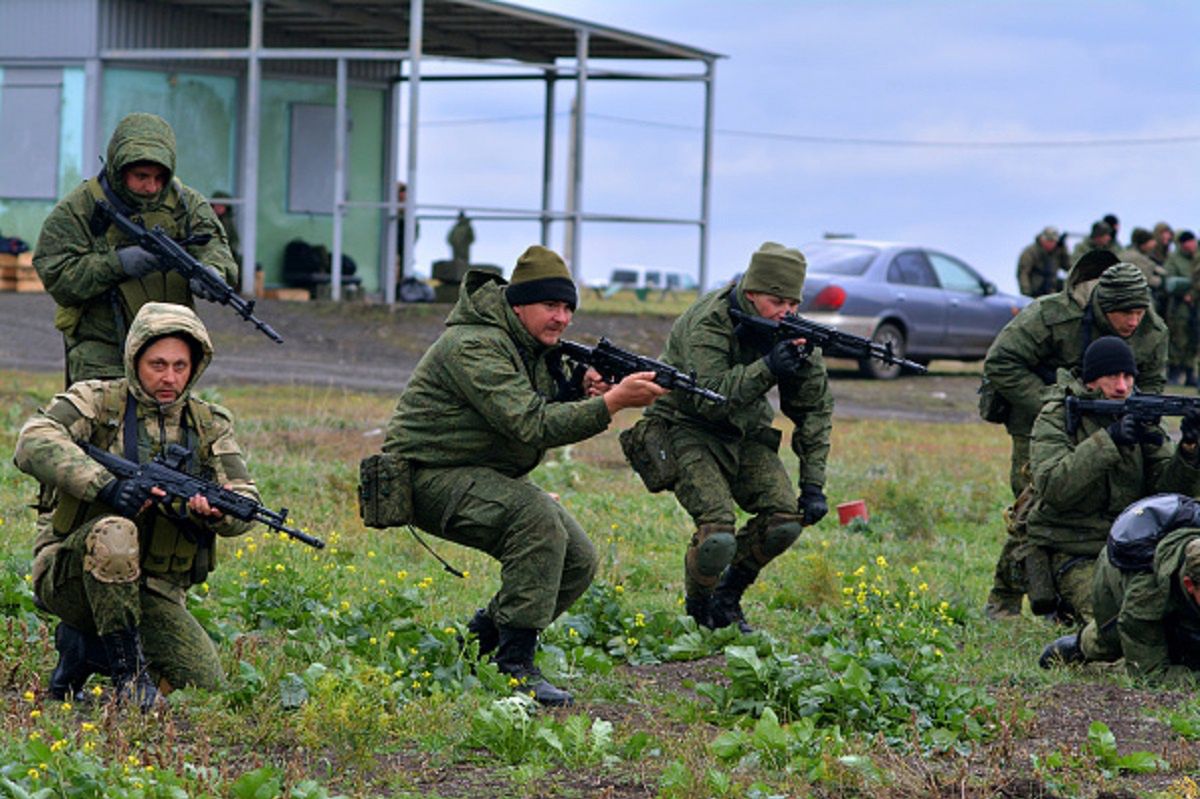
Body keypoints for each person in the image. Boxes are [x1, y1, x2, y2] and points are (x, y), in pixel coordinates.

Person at [381, 245, 666, 706]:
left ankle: (479, 645)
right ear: (517, 305)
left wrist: (580, 390)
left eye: (569, 307)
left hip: (482, 472)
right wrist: (612, 404)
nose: (562, 318)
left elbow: (540, 404)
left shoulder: (529, 345)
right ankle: (515, 666)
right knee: (536, 520)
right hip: (428, 475)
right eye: (550, 305)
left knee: (578, 558)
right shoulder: (474, 344)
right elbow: (530, 423)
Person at [14, 302, 260, 709]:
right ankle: (129, 678)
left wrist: (220, 513)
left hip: (152, 589)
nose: (169, 377)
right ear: (134, 360)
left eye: (180, 366)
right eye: (157, 364)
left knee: (204, 685)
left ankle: (85, 649)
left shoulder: (208, 424)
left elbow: (245, 498)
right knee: (115, 532)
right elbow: (33, 439)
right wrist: (106, 487)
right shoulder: (97, 401)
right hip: (71, 573)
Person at [628, 242, 833, 633]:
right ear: (751, 292)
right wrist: (769, 366)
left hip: (745, 433)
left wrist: (813, 485)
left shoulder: (793, 333)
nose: (786, 312)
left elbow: (814, 409)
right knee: (717, 536)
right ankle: (700, 609)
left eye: (793, 303)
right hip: (687, 426)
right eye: (777, 301)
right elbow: (710, 398)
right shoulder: (710, 321)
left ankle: (727, 599)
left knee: (785, 520)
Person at [981, 259, 1168, 618]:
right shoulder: (1053, 315)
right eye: (1124, 313)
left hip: (1114, 416)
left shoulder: (1152, 331)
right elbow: (1001, 362)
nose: (1133, 321)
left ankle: (1075, 585)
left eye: (1139, 312)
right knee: (1033, 504)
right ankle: (1006, 596)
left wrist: (1144, 422)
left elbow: (1153, 385)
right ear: (1104, 306)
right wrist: (1059, 405)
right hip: (1039, 416)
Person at [33, 112, 238, 385]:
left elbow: (214, 244)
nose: (151, 187)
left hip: (167, 349)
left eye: (159, 177)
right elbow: (55, 272)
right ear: (119, 168)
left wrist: (213, 272)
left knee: (165, 426)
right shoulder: (81, 208)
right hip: (103, 349)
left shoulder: (186, 204)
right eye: (141, 176)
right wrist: (117, 264)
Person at [1022, 336, 1200, 624]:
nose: (1121, 386)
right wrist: (1110, 441)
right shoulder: (1056, 417)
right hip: (1074, 549)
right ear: (1091, 381)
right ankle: (1065, 608)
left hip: (1133, 547)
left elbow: (1167, 498)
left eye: (1128, 376)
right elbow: (1054, 487)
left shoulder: (1141, 414)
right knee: (1115, 623)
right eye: (1111, 376)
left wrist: (1189, 452)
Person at [1040, 496, 1200, 682]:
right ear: (1189, 585)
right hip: (1116, 589)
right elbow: (1151, 675)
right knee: (1113, 646)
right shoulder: (1145, 595)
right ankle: (1077, 648)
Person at [1162, 230, 1199, 386]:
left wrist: (1193, 293)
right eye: (1188, 243)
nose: (1191, 245)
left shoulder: (1197, 258)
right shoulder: (1174, 259)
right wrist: (1184, 292)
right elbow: (1169, 279)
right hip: (1180, 307)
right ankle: (1175, 372)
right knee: (1178, 339)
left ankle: (1190, 373)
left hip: (1196, 304)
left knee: (1193, 339)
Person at [1017, 226, 1069, 298]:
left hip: (1052, 291)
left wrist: (1063, 250)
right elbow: (1023, 273)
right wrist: (1026, 293)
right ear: (1042, 239)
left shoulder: (1058, 252)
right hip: (1035, 292)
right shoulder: (1030, 252)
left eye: (1053, 241)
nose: (1051, 244)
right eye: (1049, 240)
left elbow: (1069, 266)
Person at [1118, 227, 1167, 296]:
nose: (1154, 244)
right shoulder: (1136, 257)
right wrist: (1163, 282)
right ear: (1144, 244)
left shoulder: (1126, 253)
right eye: (1151, 241)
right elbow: (1147, 278)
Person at [209, 191, 241, 268]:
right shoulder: (208, 219)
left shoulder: (228, 222)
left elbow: (235, 241)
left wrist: (228, 251)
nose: (219, 208)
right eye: (217, 205)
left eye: (222, 205)